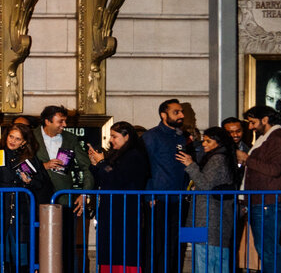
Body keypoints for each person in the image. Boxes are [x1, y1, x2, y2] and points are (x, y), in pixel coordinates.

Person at [0, 123, 54, 273]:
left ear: (24, 142)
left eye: (18, 139)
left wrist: (30, 181)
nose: (12, 141)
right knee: (2, 258)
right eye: (11, 136)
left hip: (22, 214)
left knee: (22, 257)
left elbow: (42, 183)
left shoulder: (31, 159)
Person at [32, 105, 93, 271]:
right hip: (35, 199)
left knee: (65, 243)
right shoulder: (31, 137)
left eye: (65, 121)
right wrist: (43, 166)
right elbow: (21, 164)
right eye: (61, 121)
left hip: (64, 200)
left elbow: (87, 168)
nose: (64, 125)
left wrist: (85, 194)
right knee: (36, 243)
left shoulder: (71, 139)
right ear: (47, 121)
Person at [237, 105, 281, 273]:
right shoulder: (270, 138)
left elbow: (275, 169)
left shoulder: (277, 139)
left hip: (268, 202)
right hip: (263, 201)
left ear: (265, 120)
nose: (250, 127)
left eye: (252, 122)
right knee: (266, 248)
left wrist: (247, 159)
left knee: (268, 249)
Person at [87, 121, 150, 272]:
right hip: (112, 210)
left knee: (123, 248)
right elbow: (104, 177)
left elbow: (116, 177)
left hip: (125, 211)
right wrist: (96, 164)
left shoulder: (134, 155)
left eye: (114, 136)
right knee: (110, 248)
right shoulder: (117, 154)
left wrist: (102, 162)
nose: (110, 140)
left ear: (126, 136)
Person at [176, 126, 237, 273]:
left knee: (206, 260)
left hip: (210, 220)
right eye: (204, 140)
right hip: (203, 217)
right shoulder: (219, 157)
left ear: (219, 142)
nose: (204, 144)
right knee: (203, 257)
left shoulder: (218, 158)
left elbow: (205, 184)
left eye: (208, 141)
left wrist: (190, 165)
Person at [141, 99, 190, 273]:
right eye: (176, 112)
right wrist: (149, 195)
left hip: (177, 200)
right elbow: (144, 167)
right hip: (158, 200)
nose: (182, 115)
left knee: (173, 245)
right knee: (155, 245)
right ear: (164, 115)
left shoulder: (181, 137)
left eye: (181, 112)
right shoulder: (151, 136)